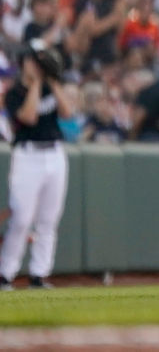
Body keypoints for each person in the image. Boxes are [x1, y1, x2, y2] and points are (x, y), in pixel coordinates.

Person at [0, 41, 73, 291]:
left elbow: (67, 113)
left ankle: (39, 275)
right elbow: (29, 116)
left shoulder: (51, 87)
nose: (38, 65)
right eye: (34, 60)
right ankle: (5, 274)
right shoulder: (14, 92)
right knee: (21, 217)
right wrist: (36, 83)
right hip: (27, 155)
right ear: (24, 63)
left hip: (54, 154)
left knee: (48, 220)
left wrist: (52, 81)